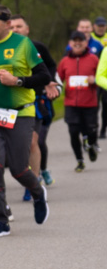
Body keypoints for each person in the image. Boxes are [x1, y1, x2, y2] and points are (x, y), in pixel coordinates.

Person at [0, 5, 51, 237]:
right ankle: (2, 219)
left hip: (21, 114)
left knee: (18, 169)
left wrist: (17, 81)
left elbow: (44, 76)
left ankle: (37, 192)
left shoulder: (23, 44)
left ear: (7, 24)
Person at [8, 14, 60, 197]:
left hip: (36, 101)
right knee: (19, 144)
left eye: (19, 26)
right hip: (12, 103)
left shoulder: (37, 47)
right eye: (12, 27)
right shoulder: (4, 49)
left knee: (33, 141)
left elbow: (51, 67)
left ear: (27, 29)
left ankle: (34, 182)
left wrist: (49, 82)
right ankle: (30, 174)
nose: (15, 30)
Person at [57, 31, 100, 171]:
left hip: (90, 103)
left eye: (80, 41)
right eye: (74, 41)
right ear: (70, 44)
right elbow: (58, 80)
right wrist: (54, 90)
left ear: (85, 43)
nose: (77, 43)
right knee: (73, 132)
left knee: (92, 131)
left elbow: (102, 78)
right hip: (71, 104)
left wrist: (95, 81)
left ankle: (90, 144)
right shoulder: (64, 61)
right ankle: (80, 160)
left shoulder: (94, 59)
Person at [95, 17, 107, 140]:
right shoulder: (90, 38)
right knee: (94, 105)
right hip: (94, 77)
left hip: (104, 76)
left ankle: (103, 129)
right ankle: (94, 128)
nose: (101, 27)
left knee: (105, 105)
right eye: (99, 25)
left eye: (103, 25)